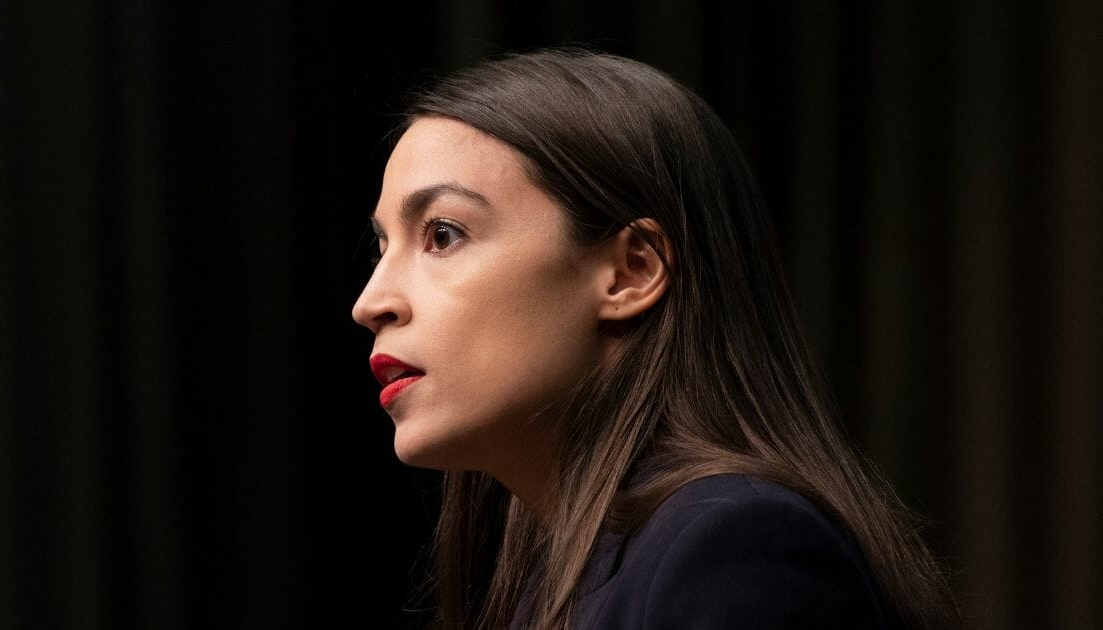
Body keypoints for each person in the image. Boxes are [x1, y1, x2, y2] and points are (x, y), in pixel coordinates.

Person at [352, 48, 959, 629]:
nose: (371, 303)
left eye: (443, 235)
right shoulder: (552, 579)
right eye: (383, 248)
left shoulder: (731, 548)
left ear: (632, 271)